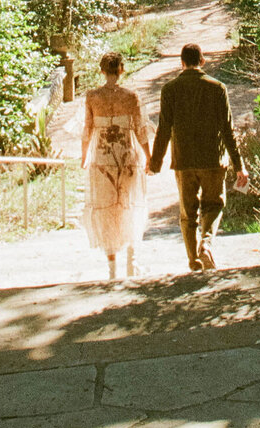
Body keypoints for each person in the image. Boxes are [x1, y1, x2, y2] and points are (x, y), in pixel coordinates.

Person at [148, 42, 249, 272]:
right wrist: (239, 165)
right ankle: (206, 244)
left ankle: (193, 261)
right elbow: (228, 130)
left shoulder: (170, 89)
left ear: (181, 63)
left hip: (183, 162)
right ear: (202, 61)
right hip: (213, 159)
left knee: (188, 213)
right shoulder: (218, 88)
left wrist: (155, 163)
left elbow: (163, 129)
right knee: (214, 205)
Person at [81, 51, 151, 280]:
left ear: (102, 70)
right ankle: (131, 263)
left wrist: (84, 157)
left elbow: (87, 130)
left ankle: (112, 269)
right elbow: (141, 130)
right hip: (126, 156)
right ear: (121, 69)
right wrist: (149, 156)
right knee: (128, 205)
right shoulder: (131, 96)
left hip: (101, 158)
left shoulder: (92, 97)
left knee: (107, 209)